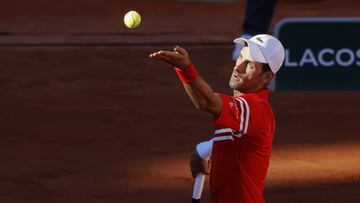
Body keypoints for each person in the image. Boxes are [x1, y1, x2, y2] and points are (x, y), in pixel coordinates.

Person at [149, 34, 285, 203]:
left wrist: (185, 68)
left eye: (250, 65)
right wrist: (202, 150)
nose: (238, 67)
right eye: (241, 56)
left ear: (267, 77)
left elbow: (205, 101)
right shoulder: (241, 112)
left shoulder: (255, 107)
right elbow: (232, 138)